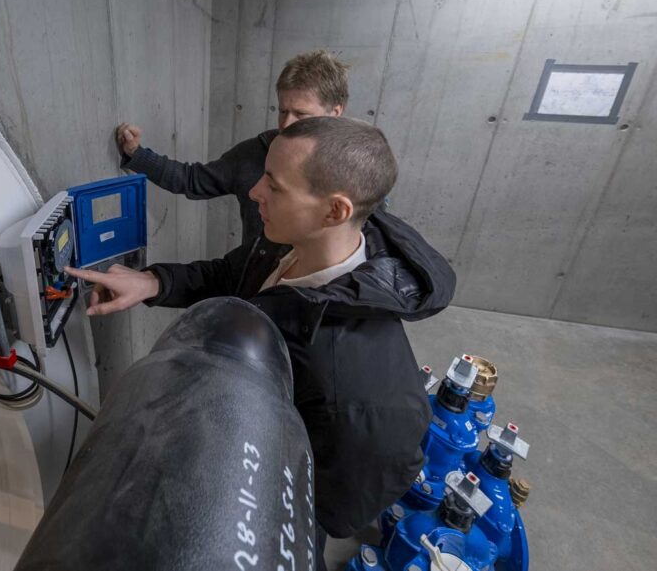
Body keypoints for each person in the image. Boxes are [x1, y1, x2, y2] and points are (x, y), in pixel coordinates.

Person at [69, 117, 455, 569]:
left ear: (335, 211)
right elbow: (232, 274)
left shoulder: (347, 373)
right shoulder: (291, 241)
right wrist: (154, 281)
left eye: (274, 185)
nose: (254, 193)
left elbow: (365, 481)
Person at [116, 50, 349, 242]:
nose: (286, 124)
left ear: (335, 113)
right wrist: (137, 154)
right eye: (283, 111)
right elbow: (191, 180)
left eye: (301, 114)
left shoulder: (357, 169)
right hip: (255, 290)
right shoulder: (252, 154)